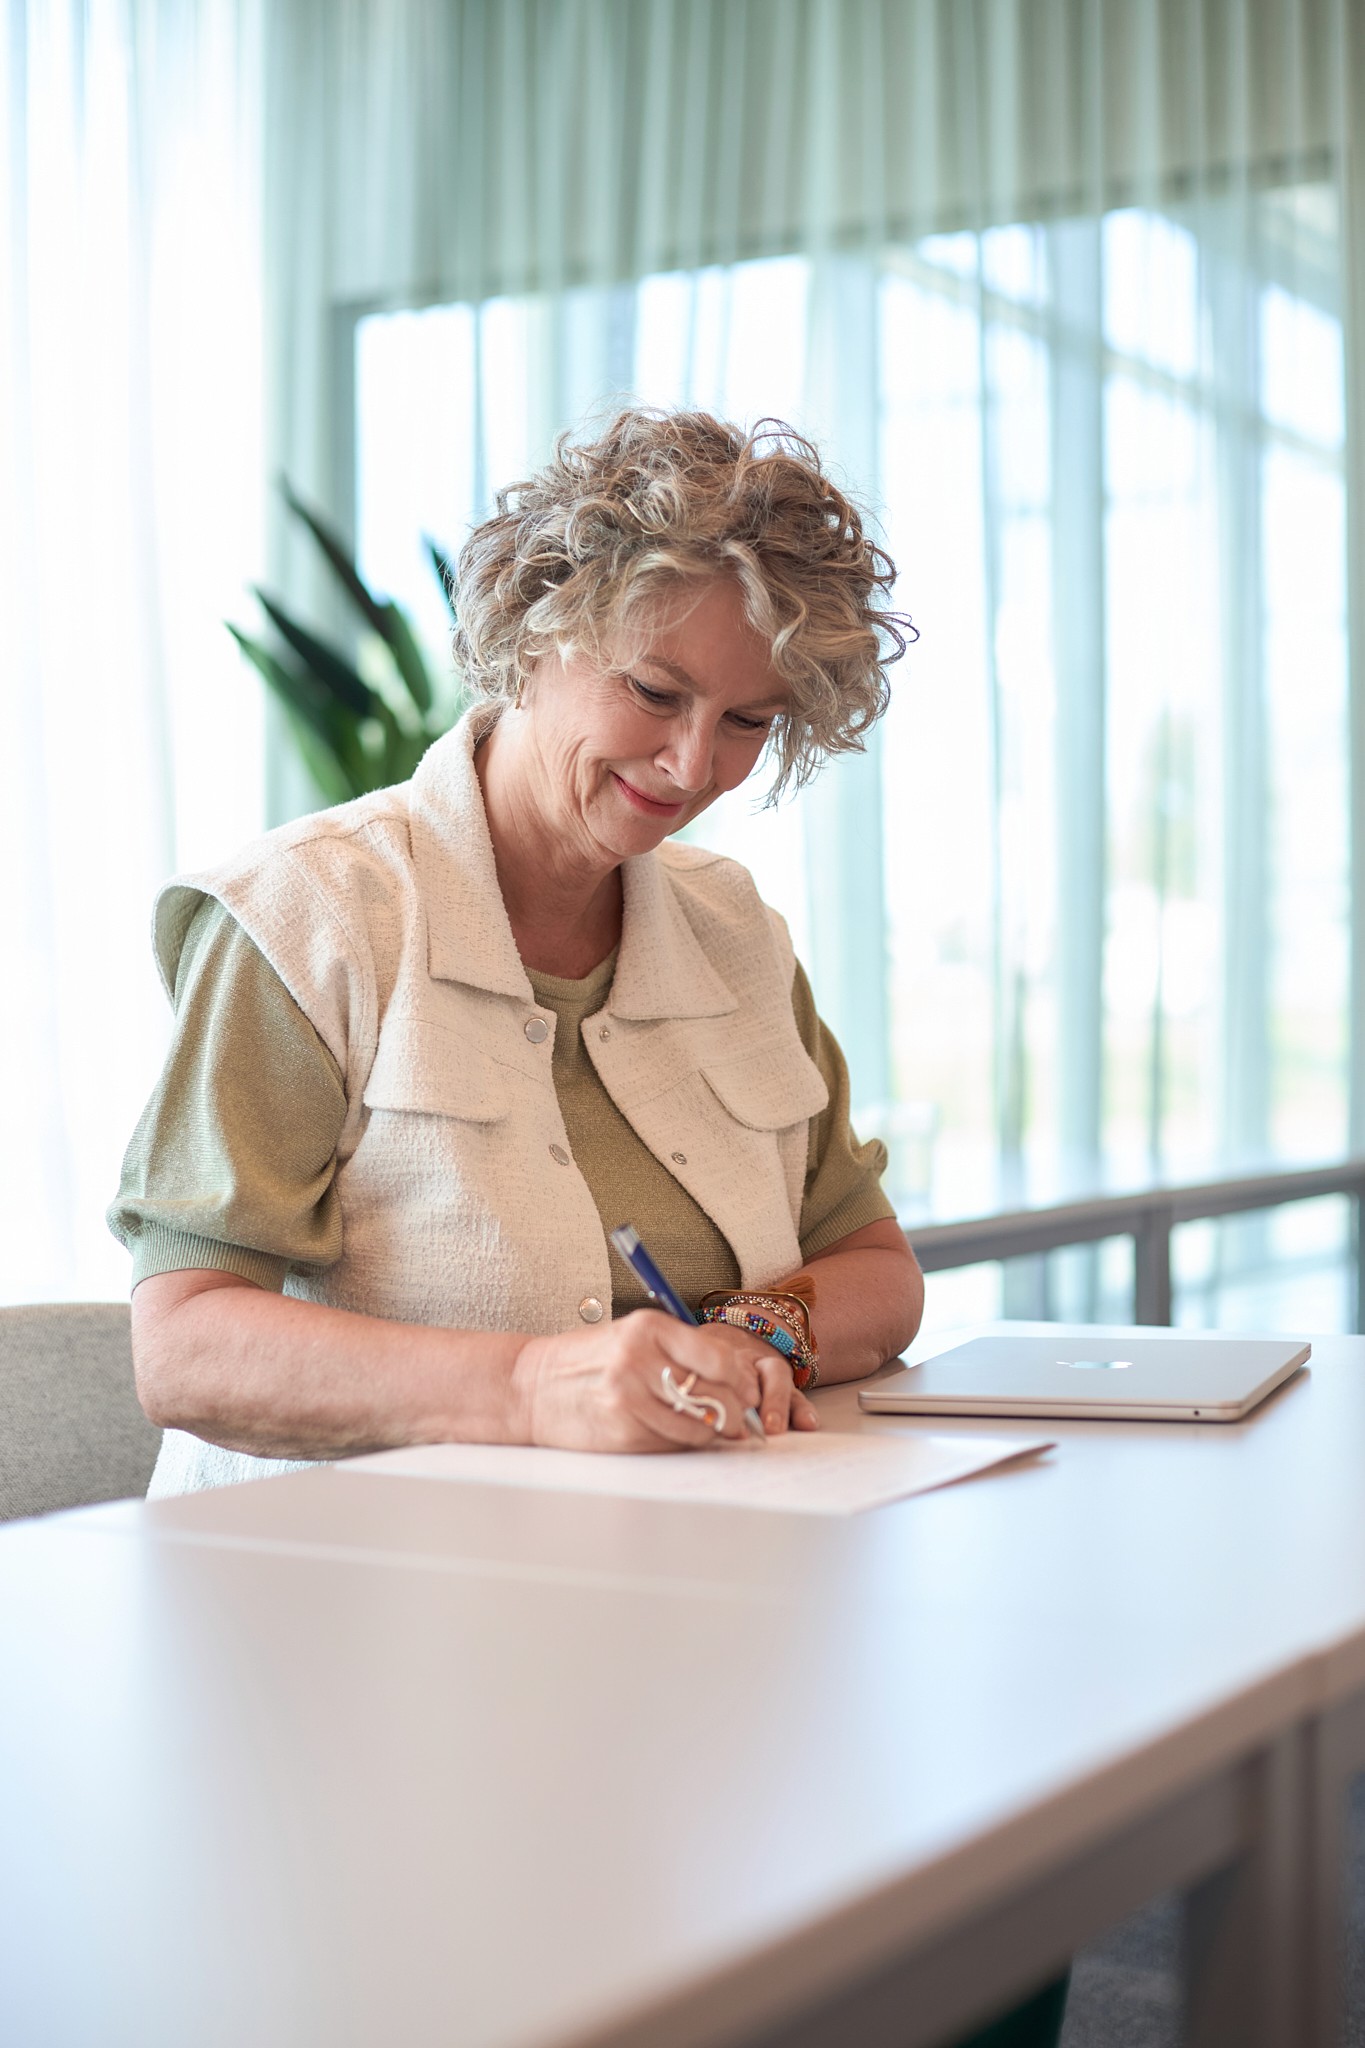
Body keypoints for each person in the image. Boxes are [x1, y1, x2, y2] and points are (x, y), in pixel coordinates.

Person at [109, 407, 1069, 2048]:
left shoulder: (730, 925)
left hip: (681, 1616)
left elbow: (875, 1277)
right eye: (655, 691)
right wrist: (535, 1388)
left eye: (751, 722)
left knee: (1002, 1893)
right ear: (534, 629)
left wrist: (748, 1339)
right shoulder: (309, 914)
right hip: (358, 1662)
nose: (695, 768)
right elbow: (182, 1347)